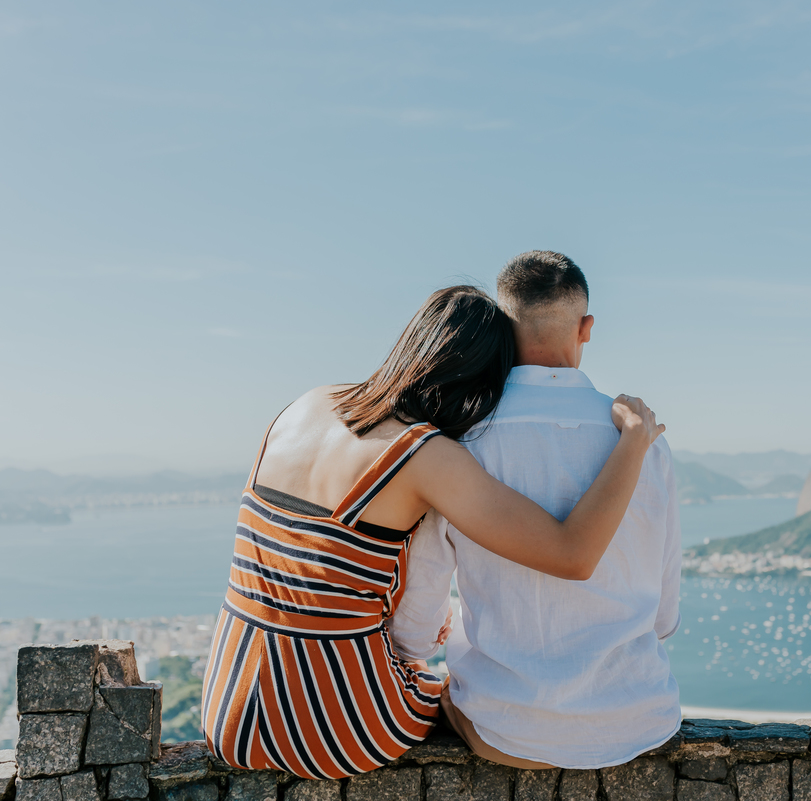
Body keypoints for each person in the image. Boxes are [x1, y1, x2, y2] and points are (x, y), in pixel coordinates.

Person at [200, 285, 665, 780]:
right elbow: (573, 554)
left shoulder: (304, 406)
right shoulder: (424, 454)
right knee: (457, 696)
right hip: (337, 730)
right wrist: (634, 442)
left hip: (229, 712)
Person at [388, 252, 682, 770]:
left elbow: (413, 630)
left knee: (447, 693)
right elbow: (662, 618)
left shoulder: (461, 443)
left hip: (508, 732)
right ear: (586, 328)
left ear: (500, 327)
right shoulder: (643, 441)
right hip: (641, 723)